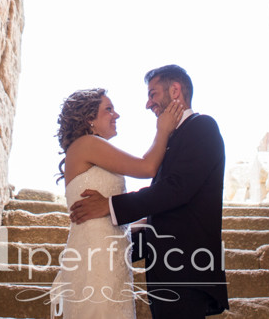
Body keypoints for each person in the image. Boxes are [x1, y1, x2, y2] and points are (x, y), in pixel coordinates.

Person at [69, 65, 229, 319]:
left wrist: (111, 206)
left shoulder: (202, 126)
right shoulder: (173, 139)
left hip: (186, 269)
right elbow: (164, 209)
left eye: (153, 94)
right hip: (166, 271)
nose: (148, 103)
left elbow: (175, 190)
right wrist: (109, 238)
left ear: (175, 90)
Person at [49, 87, 184, 318]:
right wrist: (163, 131)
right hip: (97, 261)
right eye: (108, 109)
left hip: (109, 257)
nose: (116, 115)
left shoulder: (90, 148)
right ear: (89, 118)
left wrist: (148, 219)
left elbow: (106, 217)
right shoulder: (87, 144)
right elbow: (147, 167)